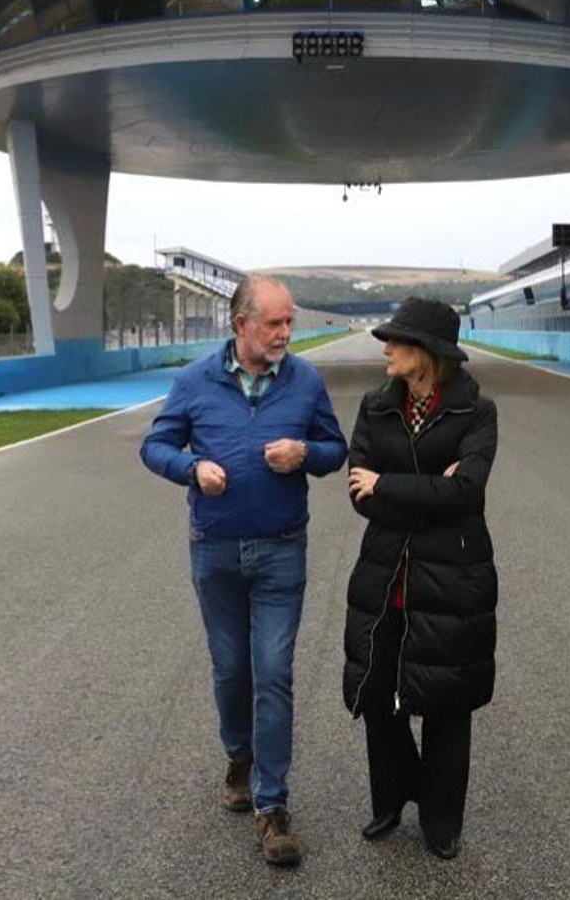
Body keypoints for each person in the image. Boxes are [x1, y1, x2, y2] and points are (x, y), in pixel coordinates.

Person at [139, 275, 348, 868]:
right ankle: (239, 755)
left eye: (290, 323)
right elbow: (155, 447)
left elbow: (336, 450)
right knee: (232, 669)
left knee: (274, 671)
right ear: (240, 326)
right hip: (216, 549)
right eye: (274, 324)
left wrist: (304, 453)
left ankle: (272, 805)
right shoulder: (194, 381)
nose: (286, 334)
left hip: (282, 547)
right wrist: (192, 468)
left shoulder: (306, 380)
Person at [342, 298, 499, 860]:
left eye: (397, 340)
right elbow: (359, 493)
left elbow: (468, 492)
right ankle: (391, 797)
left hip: (452, 575)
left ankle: (441, 820)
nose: (386, 347)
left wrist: (388, 485)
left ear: (427, 354)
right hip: (386, 570)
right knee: (376, 691)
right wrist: (424, 489)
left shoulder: (476, 412)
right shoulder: (375, 406)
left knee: (447, 702)